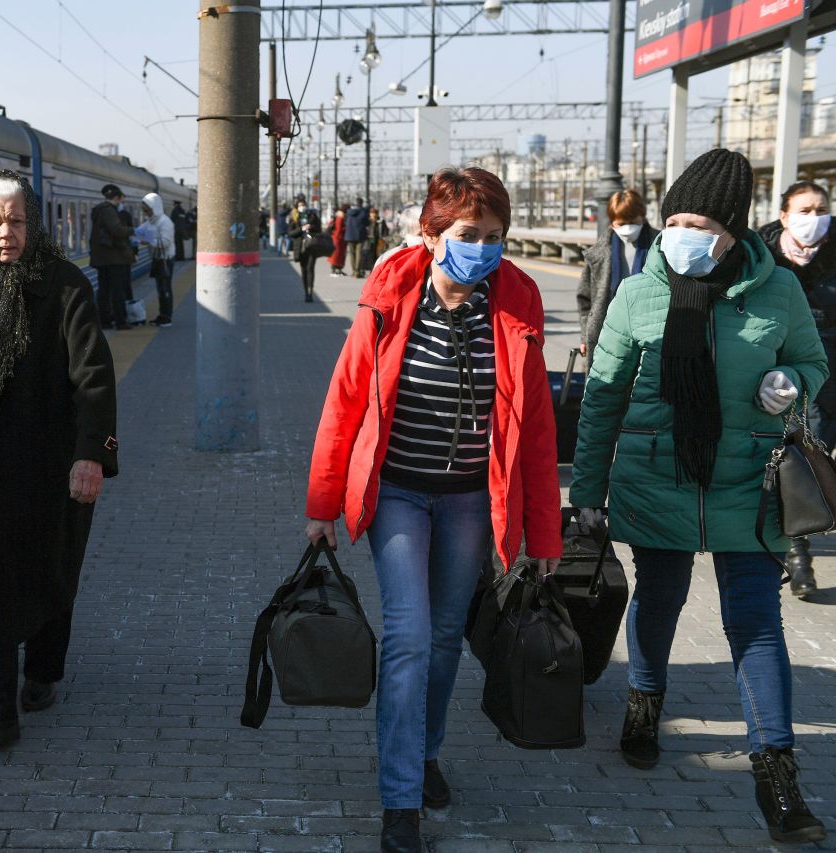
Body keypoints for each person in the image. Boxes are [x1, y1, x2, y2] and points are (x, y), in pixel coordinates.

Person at [569, 149, 827, 846]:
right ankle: (645, 703)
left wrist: (792, 385)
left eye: (699, 222)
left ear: (733, 231)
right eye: (674, 219)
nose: (681, 232)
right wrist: (585, 494)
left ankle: (778, 777)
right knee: (660, 601)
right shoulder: (639, 293)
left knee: (755, 620)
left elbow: (812, 363)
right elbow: (601, 400)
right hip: (657, 478)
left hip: (750, 479)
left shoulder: (777, 293)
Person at [306, 167, 562, 853]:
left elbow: (536, 430)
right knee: (411, 636)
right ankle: (399, 802)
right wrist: (322, 501)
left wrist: (545, 533)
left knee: (447, 637)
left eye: (494, 237)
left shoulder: (516, 304)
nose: (481, 248)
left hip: (473, 501)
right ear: (431, 232)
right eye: (467, 234)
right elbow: (346, 400)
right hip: (396, 494)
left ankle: (423, 752)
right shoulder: (391, 294)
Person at [0, 170, 118, 756]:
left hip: (50, 462)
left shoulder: (65, 287)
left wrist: (92, 455)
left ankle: (43, 673)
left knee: (48, 574)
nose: (3, 233)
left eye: (13, 221)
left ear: (32, 223)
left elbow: (94, 377)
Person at [761, 181, 835, 600]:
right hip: (787, 379)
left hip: (834, 378)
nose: (814, 217)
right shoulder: (763, 256)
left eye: (821, 209)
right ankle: (798, 555)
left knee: (821, 467)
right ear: (785, 215)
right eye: (804, 210)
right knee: (797, 465)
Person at [577, 189, 659, 365]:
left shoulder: (660, 245)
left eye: (633, 221)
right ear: (612, 222)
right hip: (607, 332)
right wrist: (585, 335)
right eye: (621, 223)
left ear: (643, 217)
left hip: (649, 332)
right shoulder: (598, 252)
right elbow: (585, 299)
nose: (628, 228)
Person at [90, 184, 134, 332]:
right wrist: (134, 230)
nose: (122, 203)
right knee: (117, 291)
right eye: (121, 200)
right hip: (113, 258)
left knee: (104, 290)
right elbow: (117, 230)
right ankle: (120, 322)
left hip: (103, 258)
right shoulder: (109, 211)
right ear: (116, 198)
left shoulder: (99, 210)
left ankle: (105, 321)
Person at [139, 192, 176, 327]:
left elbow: (165, 242)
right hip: (157, 259)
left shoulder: (165, 222)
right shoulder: (151, 221)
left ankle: (167, 317)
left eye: (147, 210)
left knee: (165, 288)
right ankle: (162, 315)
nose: (146, 213)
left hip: (165, 259)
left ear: (155, 208)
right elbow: (139, 232)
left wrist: (148, 241)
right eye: (144, 210)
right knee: (160, 289)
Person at [288, 209, 323, 303]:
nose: (302, 207)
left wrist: (311, 227)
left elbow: (320, 231)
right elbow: (290, 233)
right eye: (300, 205)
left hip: (312, 247)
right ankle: (306, 293)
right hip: (300, 248)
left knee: (310, 269)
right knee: (304, 271)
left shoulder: (313, 217)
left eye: (303, 204)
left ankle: (310, 291)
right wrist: (301, 229)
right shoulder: (294, 217)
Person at [344, 196, 369, 277]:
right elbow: (367, 223)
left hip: (349, 235)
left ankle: (354, 270)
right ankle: (357, 272)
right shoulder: (363, 212)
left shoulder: (349, 212)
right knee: (359, 253)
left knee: (352, 254)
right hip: (360, 235)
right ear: (361, 203)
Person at [328, 203, 348, 274]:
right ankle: (334, 269)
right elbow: (339, 228)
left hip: (339, 238)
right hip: (338, 238)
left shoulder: (339, 215)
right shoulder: (341, 217)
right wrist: (346, 228)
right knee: (337, 254)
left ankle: (337, 269)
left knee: (338, 254)